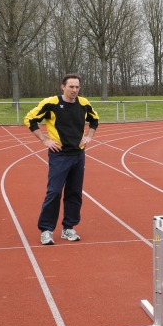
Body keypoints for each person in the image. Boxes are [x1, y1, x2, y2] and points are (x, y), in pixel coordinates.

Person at [24, 74, 99, 245]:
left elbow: (95, 119)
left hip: (78, 155)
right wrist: (45, 140)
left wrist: (89, 136)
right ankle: (46, 230)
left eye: (77, 87)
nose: (74, 90)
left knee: (74, 193)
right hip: (59, 155)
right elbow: (30, 119)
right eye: (71, 86)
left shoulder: (84, 103)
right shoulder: (51, 103)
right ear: (62, 87)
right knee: (54, 192)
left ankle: (68, 228)